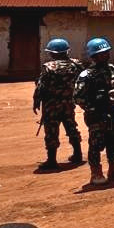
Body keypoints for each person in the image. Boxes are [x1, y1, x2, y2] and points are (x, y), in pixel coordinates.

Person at [74, 37, 114, 187]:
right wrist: (93, 108)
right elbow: (78, 97)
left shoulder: (113, 69)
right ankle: (96, 172)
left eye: (106, 52)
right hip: (96, 116)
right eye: (101, 53)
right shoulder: (87, 75)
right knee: (96, 144)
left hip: (112, 113)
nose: (105, 55)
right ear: (93, 56)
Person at [34, 38, 84, 172]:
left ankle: (52, 160)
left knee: (51, 131)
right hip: (68, 102)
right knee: (71, 126)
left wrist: (36, 101)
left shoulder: (48, 67)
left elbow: (41, 87)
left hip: (52, 104)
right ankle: (78, 154)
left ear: (52, 53)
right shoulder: (76, 64)